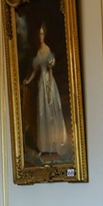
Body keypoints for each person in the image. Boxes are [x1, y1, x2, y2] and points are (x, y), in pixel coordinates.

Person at [23, 23, 68, 155]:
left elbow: (50, 71)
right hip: (41, 85)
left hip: (48, 83)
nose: (40, 37)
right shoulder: (38, 52)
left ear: (45, 35)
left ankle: (54, 144)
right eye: (39, 34)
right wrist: (28, 81)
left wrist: (49, 91)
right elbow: (35, 71)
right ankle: (45, 146)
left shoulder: (47, 50)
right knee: (42, 113)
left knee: (50, 113)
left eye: (42, 34)